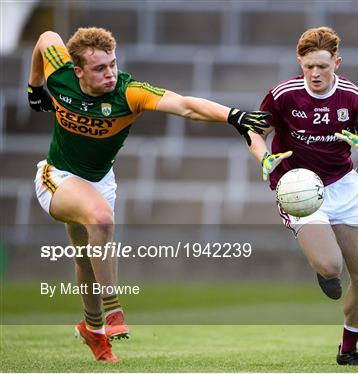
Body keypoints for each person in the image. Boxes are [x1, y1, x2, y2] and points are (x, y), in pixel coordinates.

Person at [28, 27, 270, 362]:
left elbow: (185, 105)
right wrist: (35, 85)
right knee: (101, 219)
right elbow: (46, 37)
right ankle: (113, 311)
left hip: (99, 182)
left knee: (85, 256)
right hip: (57, 176)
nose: (110, 73)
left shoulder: (129, 92)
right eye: (100, 68)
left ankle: (93, 330)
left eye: (112, 64)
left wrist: (233, 116)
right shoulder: (62, 73)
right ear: (78, 70)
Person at [247, 27, 358, 366]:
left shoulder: (353, 98)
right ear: (300, 62)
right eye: (308, 66)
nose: (315, 74)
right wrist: (262, 156)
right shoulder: (283, 95)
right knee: (329, 265)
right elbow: (255, 130)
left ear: (337, 63)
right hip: (298, 188)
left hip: (343, 186)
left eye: (323, 66)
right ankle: (324, 270)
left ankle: (349, 348)